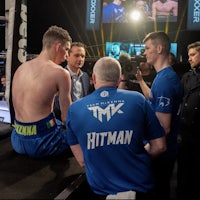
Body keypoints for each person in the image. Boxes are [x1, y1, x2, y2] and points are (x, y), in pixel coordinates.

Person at [66, 56, 167, 200]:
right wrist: (131, 156)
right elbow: (160, 146)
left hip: (102, 191)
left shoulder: (74, 109)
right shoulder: (138, 99)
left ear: (94, 78)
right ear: (119, 79)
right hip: (140, 188)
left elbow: (82, 160)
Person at [11, 25, 72, 158]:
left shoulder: (21, 68)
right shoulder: (61, 73)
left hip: (17, 139)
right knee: (86, 137)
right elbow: (67, 117)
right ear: (58, 46)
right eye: (66, 49)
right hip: (44, 142)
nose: (67, 56)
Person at [135, 31, 183, 200]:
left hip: (161, 155)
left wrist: (144, 153)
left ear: (159, 48)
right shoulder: (163, 77)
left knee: (157, 193)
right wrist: (140, 81)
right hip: (165, 153)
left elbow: (164, 128)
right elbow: (153, 98)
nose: (145, 52)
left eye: (148, 48)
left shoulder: (164, 81)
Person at [177, 41, 200, 200]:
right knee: (183, 172)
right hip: (184, 134)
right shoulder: (186, 76)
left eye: (193, 55)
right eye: (189, 55)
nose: (189, 59)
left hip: (199, 135)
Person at [54, 42, 90, 120]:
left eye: (83, 56)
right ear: (67, 57)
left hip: (82, 119)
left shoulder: (85, 76)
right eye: (76, 55)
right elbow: (56, 104)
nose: (80, 59)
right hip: (64, 121)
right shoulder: (59, 75)